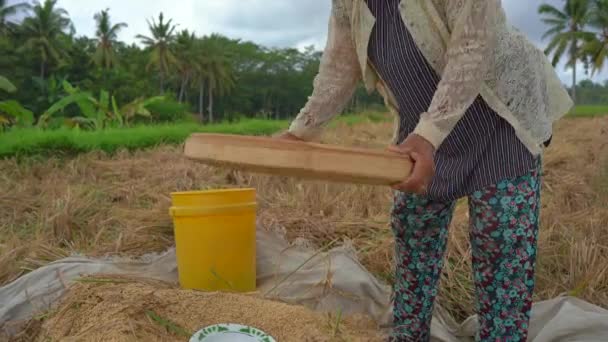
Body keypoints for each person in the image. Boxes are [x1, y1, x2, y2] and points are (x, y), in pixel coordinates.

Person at [276, 0, 573, 341]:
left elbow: (472, 48)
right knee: (413, 227)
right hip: (420, 125)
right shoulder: (349, 3)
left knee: (500, 241)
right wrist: (302, 131)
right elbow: (339, 65)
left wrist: (429, 136)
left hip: (498, 116)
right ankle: (409, 334)